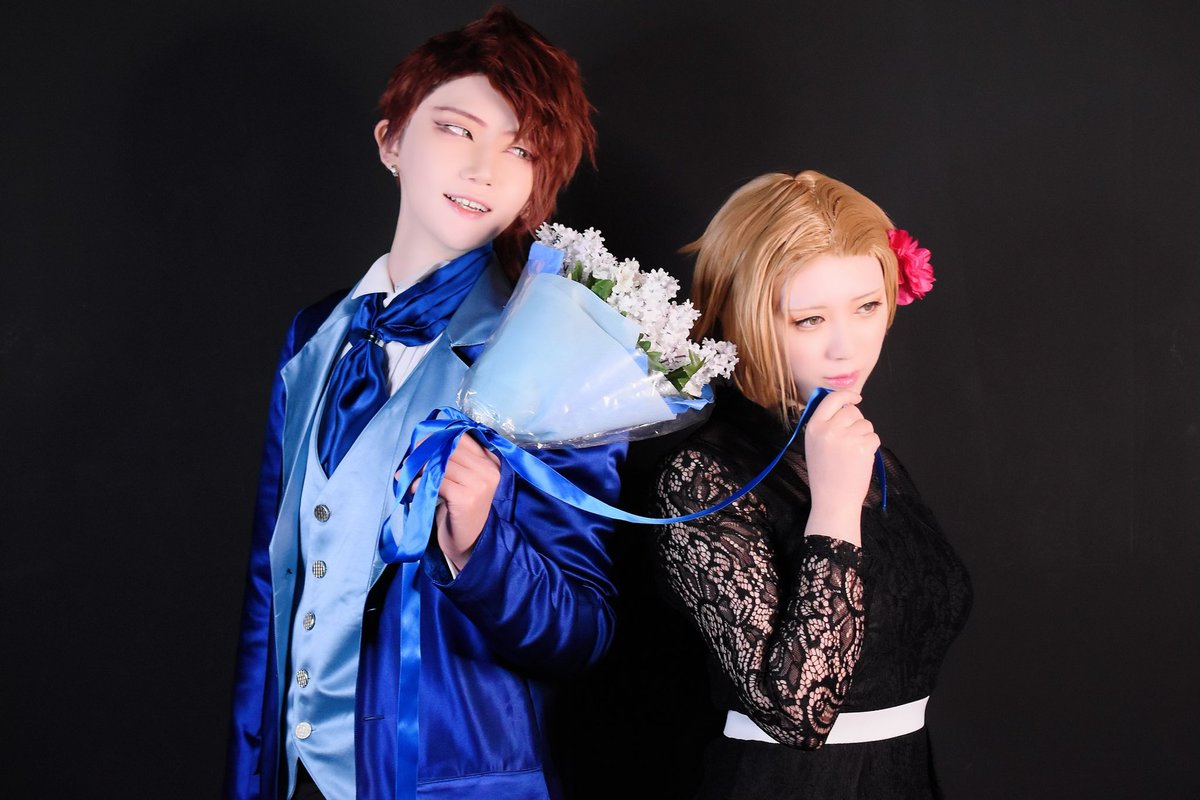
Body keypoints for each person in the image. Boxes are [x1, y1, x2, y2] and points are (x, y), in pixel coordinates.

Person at [224, 8, 624, 799]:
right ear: (391, 141)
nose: (483, 168)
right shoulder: (314, 334)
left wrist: (479, 546)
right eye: (456, 128)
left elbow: (583, 633)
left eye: (520, 149)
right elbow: (271, 586)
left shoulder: (559, 360)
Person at [654, 171, 972, 798]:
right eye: (808, 320)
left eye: (867, 307)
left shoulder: (862, 449)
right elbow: (797, 714)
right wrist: (833, 509)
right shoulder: (702, 477)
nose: (845, 348)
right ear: (742, 319)